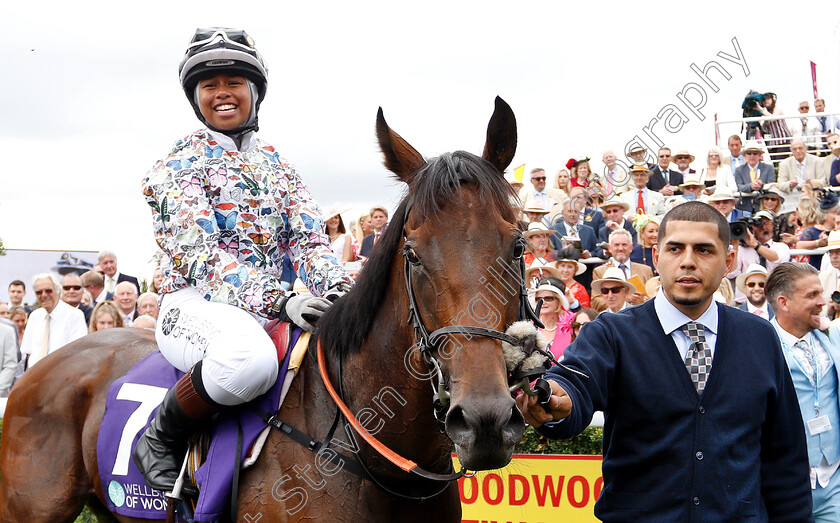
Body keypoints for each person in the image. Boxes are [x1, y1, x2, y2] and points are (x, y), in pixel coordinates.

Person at [136, 27, 353, 494]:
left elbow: (311, 244)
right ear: (196, 98)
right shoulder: (175, 165)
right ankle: (160, 436)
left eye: (233, 81)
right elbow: (203, 258)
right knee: (249, 360)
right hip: (191, 306)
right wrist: (283, 300)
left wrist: (342, 293)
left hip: (269, 307)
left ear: (253, 92)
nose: (222, 94)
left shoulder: (279, 166)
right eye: (209, 85)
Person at [516, 201, 813, 521]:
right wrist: (559, 402)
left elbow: (786, 457)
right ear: (656, 257)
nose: (687, 261)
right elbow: (574, 384)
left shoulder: (759, 337)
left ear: (728, 261)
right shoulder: (612, 334)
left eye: (703, 250)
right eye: (675, 249)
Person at [766, 262, 840, 521]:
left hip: (835, 480)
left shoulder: (832, 335)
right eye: (812, 295)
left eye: (821, 293)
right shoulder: (760, 345)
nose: (822, 301)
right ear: (784, 303)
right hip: (786, 483)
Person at [19, 273, 87, 370]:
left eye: (48, 291)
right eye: (39, 292)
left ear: (58, 291)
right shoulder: (34, 316)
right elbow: (29, 354)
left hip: (61, 378)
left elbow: (76, 355)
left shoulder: (75, 315)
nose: (44, 295)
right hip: (34, 378)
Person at [590, 229, 652, 312]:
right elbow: (595, 303)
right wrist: (623, 299)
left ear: (631, 247)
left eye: (624, 245)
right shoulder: (600, 271)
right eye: (616, 245)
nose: (620, 248)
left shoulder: (645, 270)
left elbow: (653, 297)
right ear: (609, 248)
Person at [534, 277, 579, 361]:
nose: (542, 302)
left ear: (559, 300)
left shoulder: (573, 321)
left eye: (548, 298)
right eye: (538, 299)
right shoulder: (530, 326)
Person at [779, 139, 823, 207]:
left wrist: (812, 182)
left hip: (813, 199)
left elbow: (823, 181)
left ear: (806, 149)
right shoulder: (784, 164)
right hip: (792, 200)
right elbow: (780, 184)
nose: (798, 151)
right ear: (791, 151)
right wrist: (790, 184)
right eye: (795, 149)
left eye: (800, 148)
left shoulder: (817, 161)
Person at [734, 141, 776, 212]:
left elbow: (772, 186)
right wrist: (751, 186)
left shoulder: (769, 168)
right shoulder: (739, 170)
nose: (752, 156)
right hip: (744, 207)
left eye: (755, 153)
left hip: (763, 207)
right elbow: (739, 187)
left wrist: (761, 185)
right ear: (744, 155)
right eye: (749, 153)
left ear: (760, 155)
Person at [760, 92, 792, 162]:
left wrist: (760, 109)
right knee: (775, 165)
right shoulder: (766, 113)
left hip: (782, 141)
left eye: (768, 99)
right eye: (764, 100)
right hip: (772, 143)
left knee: (781, 163)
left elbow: (772, 118)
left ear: (773, 99)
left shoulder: (777, 109)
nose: (766, 101)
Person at [819, 231, 840, 318]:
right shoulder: (823, 278)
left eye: (838, 252)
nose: (834, 256)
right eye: (831, 252)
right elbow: (812, 309)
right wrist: (828, 310)